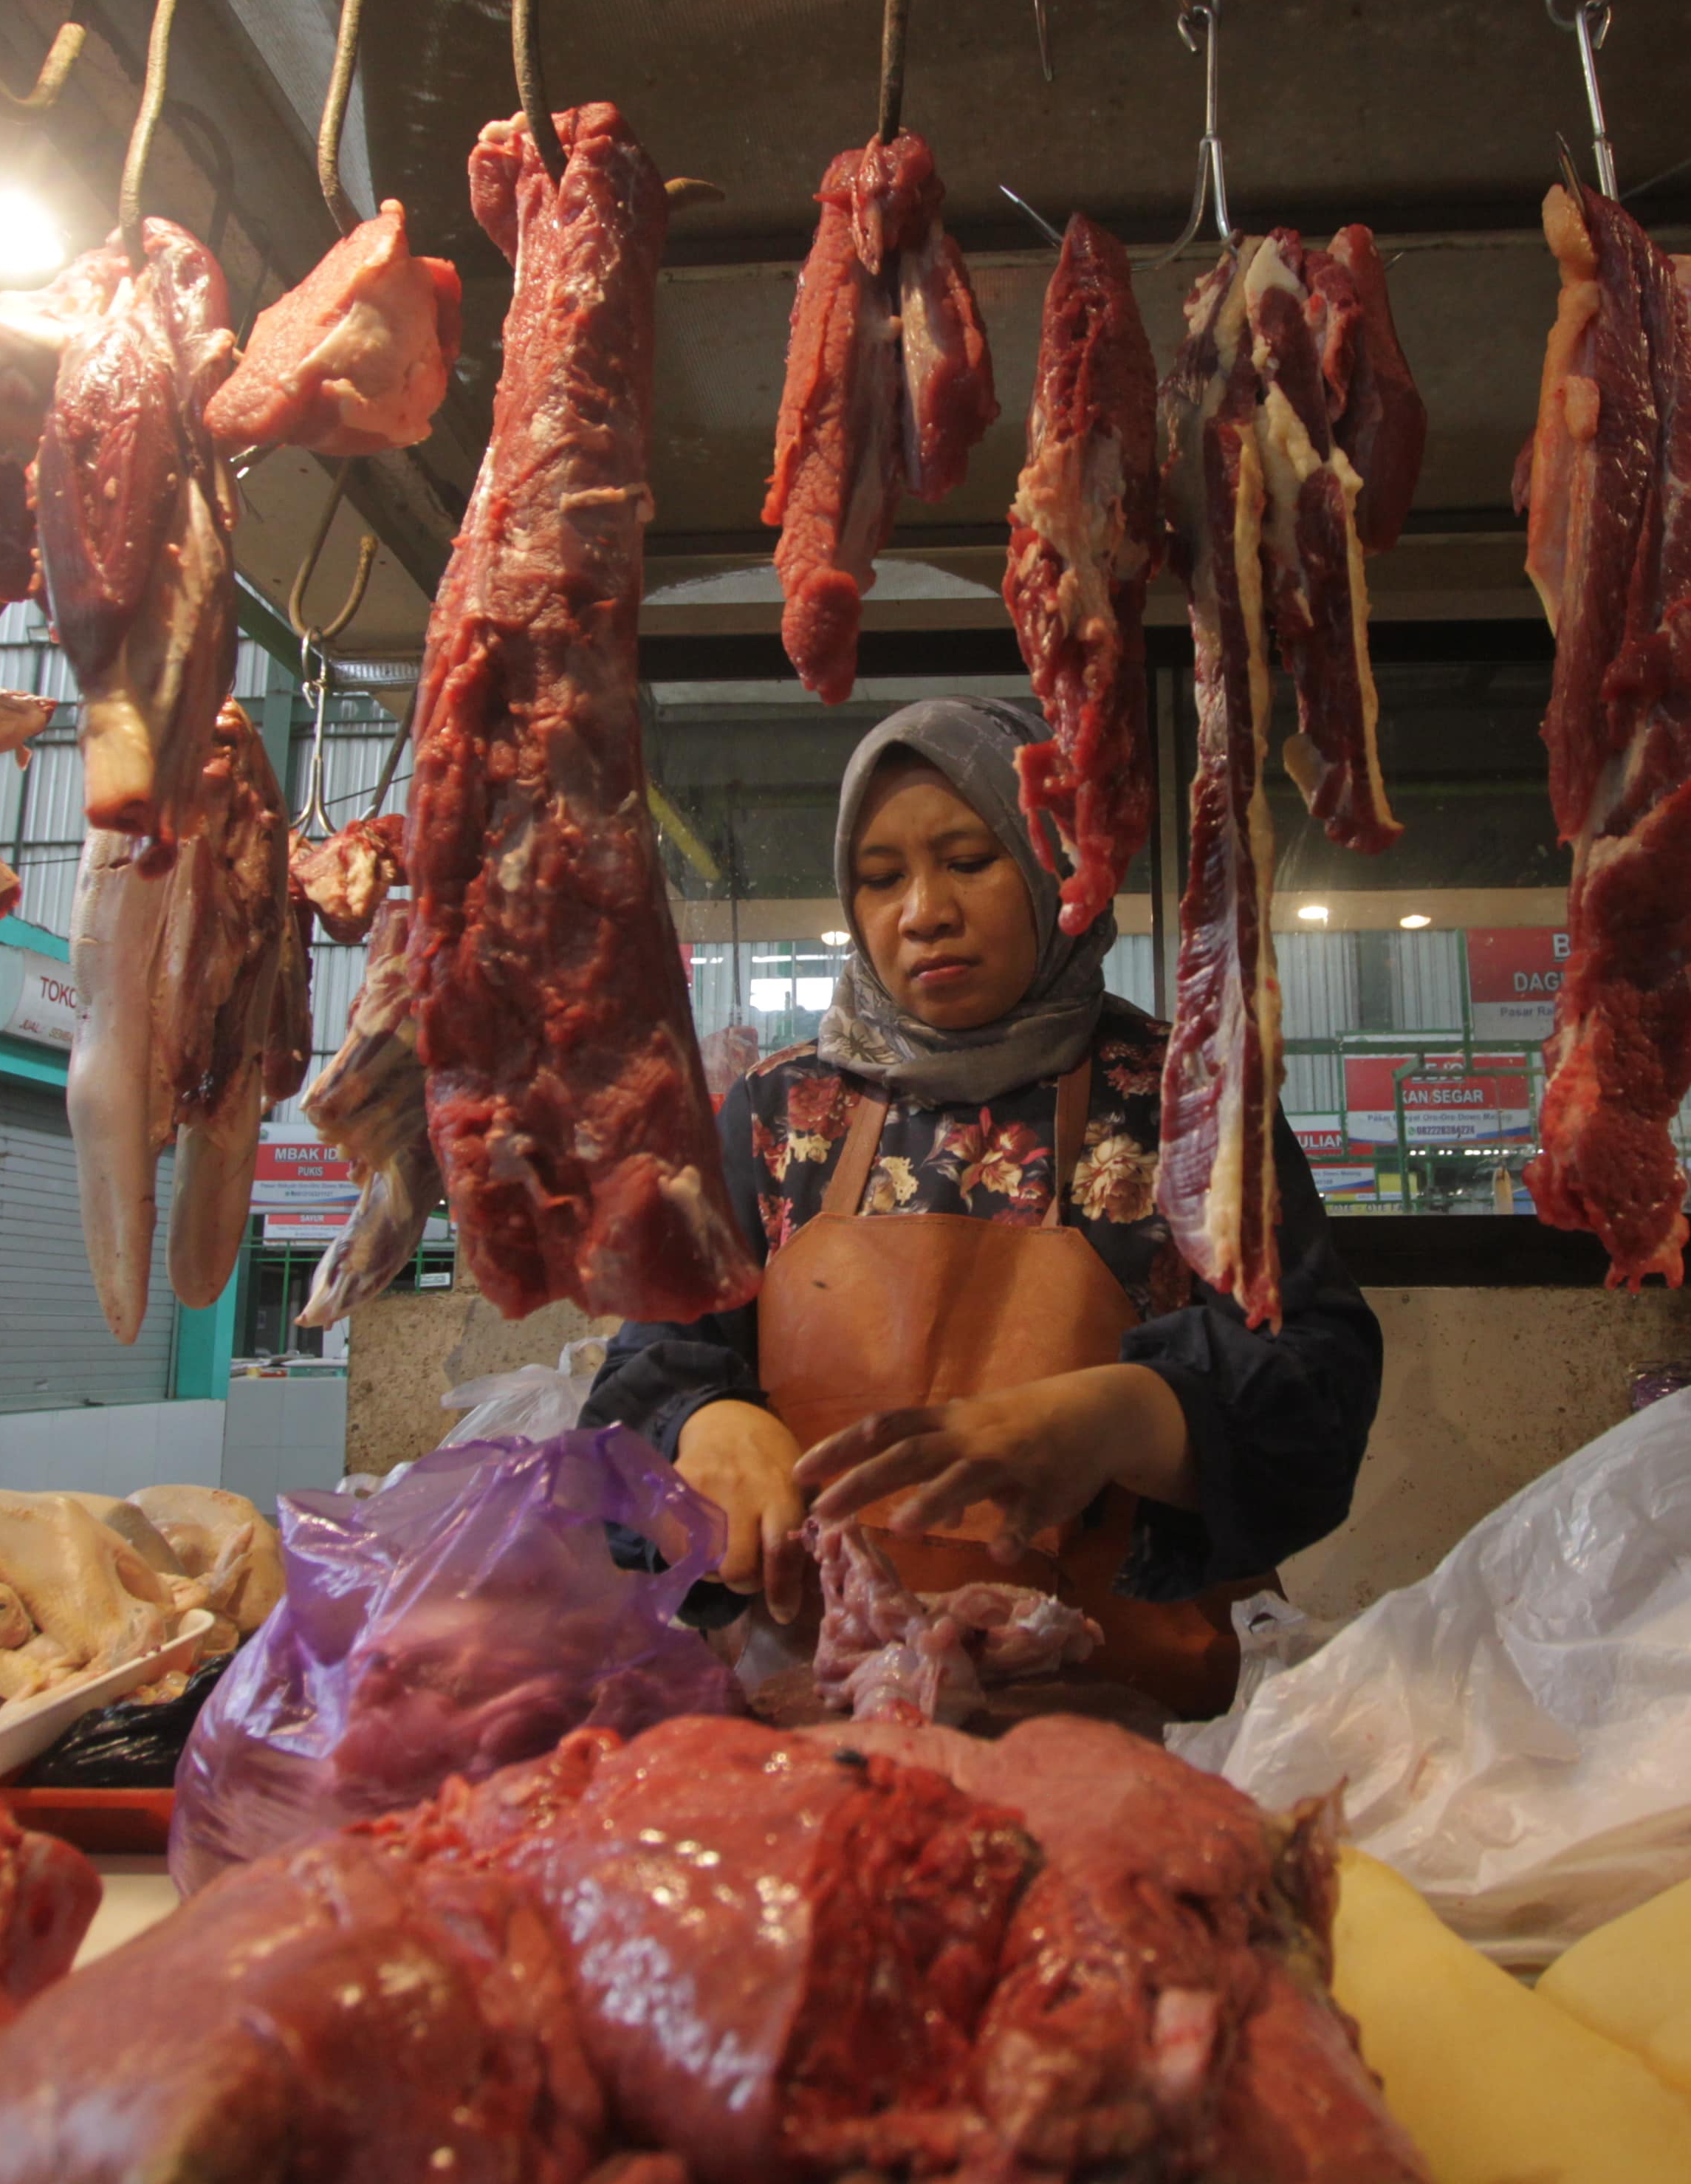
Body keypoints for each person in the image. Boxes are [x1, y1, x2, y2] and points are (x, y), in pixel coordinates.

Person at [586, 696, 1382, 1714]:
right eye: (881, 879)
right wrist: (705, 1423)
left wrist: (1131, 1415)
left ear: (1056, 868)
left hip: (1134, 1723)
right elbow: (639, 1388)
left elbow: (1324, 1384)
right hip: (812, 1718)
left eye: (968, 860)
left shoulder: (1188, 1103)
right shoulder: (777, 1113)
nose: (923, 912)